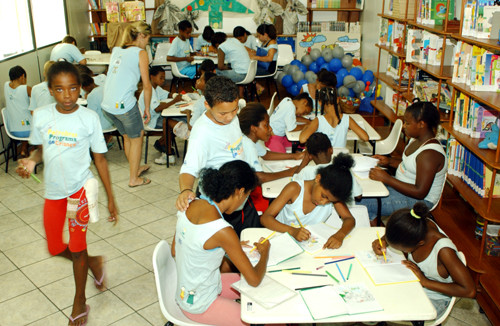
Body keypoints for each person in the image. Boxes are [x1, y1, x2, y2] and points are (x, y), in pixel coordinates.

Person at [16, 61, 118, 326]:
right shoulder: (41, 116)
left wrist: (111, 199)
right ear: (50, 90)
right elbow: (39, 150)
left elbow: (100, 160)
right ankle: (93, 262)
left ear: (80, 88)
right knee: (53, 246)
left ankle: (79, 300)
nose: (68, 95)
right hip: (54, 193)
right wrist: (31, 160)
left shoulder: (88, 118)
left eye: (73, 88)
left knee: (76, 247)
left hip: (78, 192)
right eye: (60, 90)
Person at [173, 160, 269, 326]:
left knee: (254, 288)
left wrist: (228, 247)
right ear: (240, 192)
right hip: (200, 305)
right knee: (254, 318)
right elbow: (254, 279)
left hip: (191, 290)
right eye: (247, 197)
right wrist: (265, 252)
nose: (245, 202)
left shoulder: (188, 204)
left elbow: (176, 249)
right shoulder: (223, 231)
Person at [372, 202, 475, 321]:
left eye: (402, 249)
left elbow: (469, 290)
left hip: (436, 299)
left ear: (419, 244)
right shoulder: (417, 224)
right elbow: (401, 229)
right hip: (416, 285)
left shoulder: (444, 251)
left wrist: (425, 282)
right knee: (378, 292)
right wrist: (384, 240)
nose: (400, 251)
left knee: (386, 309)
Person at [358, 100, 447, 226]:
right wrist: (389, 161)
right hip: (402, 188)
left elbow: (420, 192)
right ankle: (379, 232)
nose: (404, 126)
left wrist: (387, 179)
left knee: (360, 202)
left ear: (421, 124)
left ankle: (382, 235)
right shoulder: (416, 140)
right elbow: (410, 164)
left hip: (420, 200)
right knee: (361, 190)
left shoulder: (430, 155)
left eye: (408, 123)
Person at [260, 153, 356, 249]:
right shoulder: (294, 189)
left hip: (307, 246)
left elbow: (349, 219)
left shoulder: (332, 197)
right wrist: (292, 231)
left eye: (330, 201)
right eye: (323, 196)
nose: (323, 202)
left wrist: (340, 235)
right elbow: (265, 218)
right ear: (318, 179)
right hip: (280, 238)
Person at [101, 21, 152, 188]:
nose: (147, 43)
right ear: (142, 36)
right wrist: (147, 108)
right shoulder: (141, 53)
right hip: (123, 105)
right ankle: (134, 178)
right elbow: (146, 85)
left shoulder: (117, 50)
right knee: (137, 137)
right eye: (148, 39)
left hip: (108, 105)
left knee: (127, 137)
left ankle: (135, 168)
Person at [239, 103, 308, 212]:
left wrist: (294, 156)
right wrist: (289, 172)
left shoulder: (249, 138)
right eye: (266, 125)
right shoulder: (248, 145)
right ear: (254, 128)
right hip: (246, 198)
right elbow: (259, 177)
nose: (270, 129)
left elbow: (266, 155)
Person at [293, 132, 362, 202]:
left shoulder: (307, 171)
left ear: (310, 155)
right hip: (346, 211)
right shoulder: (343, 168)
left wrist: (305, 160)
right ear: (331, 150)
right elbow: (358, 196)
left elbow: (294, 182)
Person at [137, 66, 186, 165]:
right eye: (161, 78)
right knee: (169, 122)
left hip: (156, 117)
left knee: (180, 118)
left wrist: (178, 95)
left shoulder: (156, 88)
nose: (163, 80)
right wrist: (174, 101)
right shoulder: (149, 90)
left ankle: (161, 143)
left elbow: (168, 95)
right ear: (152, 77)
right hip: (151, 121)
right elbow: (157, 108)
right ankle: (167, 154)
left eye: (164, 78)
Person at [299, 87, 369, 147]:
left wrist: (306, 128)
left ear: (320, 103)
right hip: (341, 159)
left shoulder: (318, 120)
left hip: (324, 159)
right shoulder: (347, 118)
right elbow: (365, 137)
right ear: (338, 100)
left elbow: (302, 139)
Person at [4, 65, 32, 157]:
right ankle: (34, 150)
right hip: (28, 130)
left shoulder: (6, 86)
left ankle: (23, 148)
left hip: (12, 131)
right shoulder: (26, 89)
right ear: (22, 76)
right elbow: (37, 98)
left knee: (23, 122)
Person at [249, 23, 278, 95]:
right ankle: (255, 88)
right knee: (247, 69)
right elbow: (262, 53)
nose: (258, 38)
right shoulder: (265, 42)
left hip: (269, 68)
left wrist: (255, 57)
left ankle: (258, 87)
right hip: (263, 66)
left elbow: (269, 58)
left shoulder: (272, 43)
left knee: (247, 72)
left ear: (265, 35)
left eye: (259, 36)